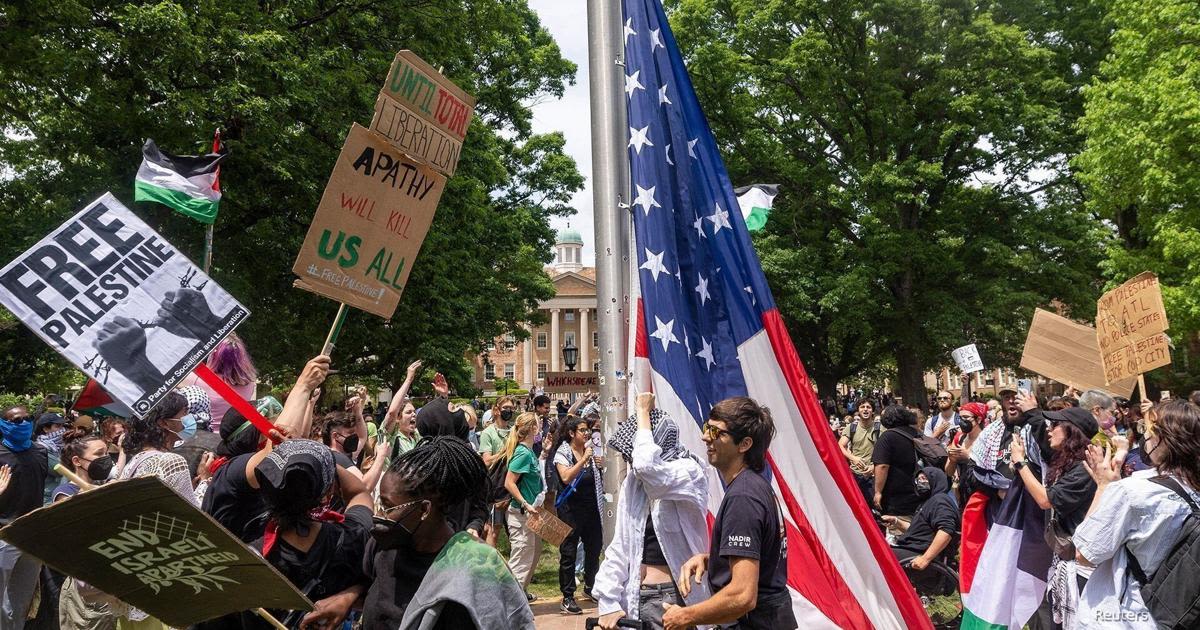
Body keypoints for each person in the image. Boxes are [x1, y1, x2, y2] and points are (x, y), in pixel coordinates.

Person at [355, 437, 534, 630]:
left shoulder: (477, 566)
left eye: (388, 507)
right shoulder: (382, 546)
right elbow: (363, 588)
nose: (380, 515)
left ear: (424, 509)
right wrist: (345, 598)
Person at [198, 439, 373, 629]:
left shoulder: (241, 553)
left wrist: (298, 459)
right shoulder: (351, 539)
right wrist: (320, 457)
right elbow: (359, 493)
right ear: (329, 490)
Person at [663, 397, 796, 630]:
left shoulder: (743, 497)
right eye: (707, 428)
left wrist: (684, 616)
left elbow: (743, 595)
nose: (705, 437)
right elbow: (761, 554)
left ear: (744, 444)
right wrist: (713, 558)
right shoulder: (753, 486)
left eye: (716, 432)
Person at [1073, 400, 1200, 629]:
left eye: (1148, 431)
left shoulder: (1132, 492)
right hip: (1181, 613)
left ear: (1164, 439)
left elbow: (1085, 554)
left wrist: (1103, 487)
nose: (1144, 438)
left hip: (1129, 615)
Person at [595, 393, 711, 630]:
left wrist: (643, 412)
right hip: (637, 596)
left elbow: (647, 466)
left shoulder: (689, 471)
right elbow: (620, 545)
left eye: (635, 445)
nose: (630, 455)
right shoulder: (633, 483)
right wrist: (608, 601)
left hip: (675, 598)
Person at [202, 355, 330, 543]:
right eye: (274, 423)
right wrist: (302, 386)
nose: (282, 428)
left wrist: (307, 399)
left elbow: (294, 441)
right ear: (259, 435)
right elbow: (276, 457)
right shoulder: (231, 473)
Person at [1011, 406, 1098, 629]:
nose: (1049, 429)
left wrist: (1020, 462)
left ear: (1072, 432)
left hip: (1082, 566)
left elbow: (1045, 500)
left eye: (1055, 425)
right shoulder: (1066, 462)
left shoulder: (1083, 469)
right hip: (1065, 560)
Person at [0, 405, 49, 630]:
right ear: (4, 424)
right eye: (16, 420)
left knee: (20, 602)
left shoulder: (41, 451)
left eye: (28, 419)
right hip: (4, 535)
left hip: (32, 536)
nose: (24, 423)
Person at [551, 416, 603, 614]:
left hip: (591, 508)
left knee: (594, 549)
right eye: (582, 430)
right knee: (569, 552)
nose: (586, 433)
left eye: (587, 430)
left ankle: (591, 586)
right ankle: (568, 596)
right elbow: (565, 477)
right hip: (570, 511)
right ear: (572, 433)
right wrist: (583, 460)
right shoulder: (563, 452)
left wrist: (600, 463)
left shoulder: (590, 450)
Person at [884, 467, 959, 593]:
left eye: (924, 479)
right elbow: (916, 531)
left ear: (935, 480)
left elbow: (946, 531)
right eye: (918, 479)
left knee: (876, 555)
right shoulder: (926, 503)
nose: (920, 482)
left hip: (921, 555)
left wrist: (926, 559)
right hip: (911, 549)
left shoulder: (940, 501)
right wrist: (896, 522)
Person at [502, 412, 544, 601]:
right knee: (521, 559)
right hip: (521, 515)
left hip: (531, 514)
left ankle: (520, 594)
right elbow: (509, 483)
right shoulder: (522, 453)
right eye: (538, 423)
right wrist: (525, 503)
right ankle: (509, 601)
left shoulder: (529, 452)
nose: (541, 425)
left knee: (533, 554)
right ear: (532, 429)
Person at [179, 333, 258, 431]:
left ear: (214, 356)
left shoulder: (195, 379)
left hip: (201, 438)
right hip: (230, 440)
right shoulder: (250, 383)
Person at [872, 405, 924, 527]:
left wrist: (878, 491)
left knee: (897, 532)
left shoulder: (887, 437)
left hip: (896, 499)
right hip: (919, 492)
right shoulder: (917, 434)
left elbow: (882, 466)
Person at [478, 396, 517, 546]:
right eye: (505, 408)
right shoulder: (488, 433)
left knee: (514, 529)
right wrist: (505, 452)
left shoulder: (513, 431)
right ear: (496, 410)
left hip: (513, 484)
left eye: (511, 409)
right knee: (493, 530)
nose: (508, 411)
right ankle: (490, 566)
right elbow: (486, 461)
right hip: (496, 487)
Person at [52, 429, 120, 501]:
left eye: (106, 453)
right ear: (77, 461)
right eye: (99, 454)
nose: (106, 457)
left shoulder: (103, 482)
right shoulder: (64, 493)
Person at [945, 401, 986, 507]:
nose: (962, 421)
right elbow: (949, 472)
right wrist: (952, 460)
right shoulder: (959, 437)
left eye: (966, 417)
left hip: (983, 490)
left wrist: (968, 456)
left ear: (979, 419)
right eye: (960, 417)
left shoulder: (986, 437)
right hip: (964, 490)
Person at [838, 400, 878, 504]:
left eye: (868, 407)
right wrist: (853, 458)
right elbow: (840, 446)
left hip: (874, 475)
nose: (865, 409)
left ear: (872, 411)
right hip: (855, 475)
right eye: (862, 407)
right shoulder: (851, 427)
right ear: (858, 410)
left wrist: (874, 467)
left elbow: (887, 452)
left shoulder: (880, 428)